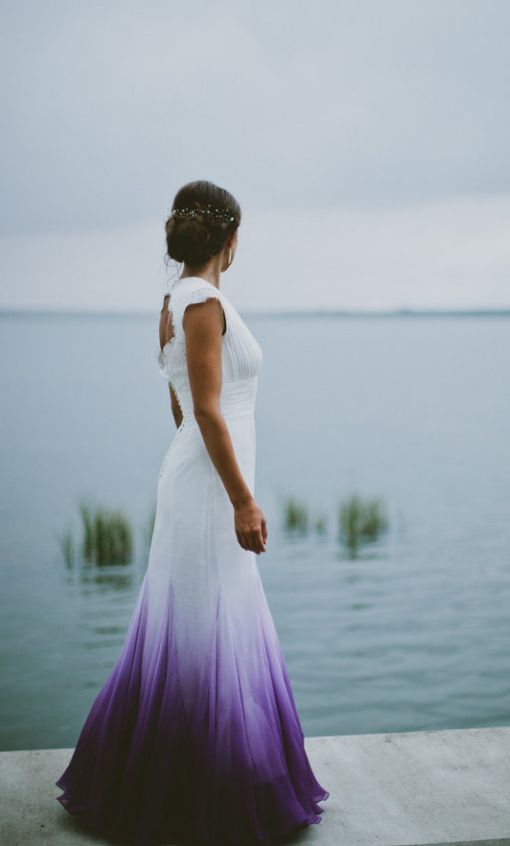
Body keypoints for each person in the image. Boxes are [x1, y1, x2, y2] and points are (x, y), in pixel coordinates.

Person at [55, 179, 329, 845]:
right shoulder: (203, 302)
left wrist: (207, 466)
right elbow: (205, 406)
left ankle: (179, 779)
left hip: (192, 472)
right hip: (210, 487)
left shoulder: (172, 300)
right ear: (229, 242)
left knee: (202, 627)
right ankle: (198, 796)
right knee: (206, 627)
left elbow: (179, 402)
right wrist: (242, 499)